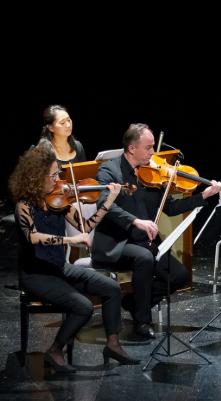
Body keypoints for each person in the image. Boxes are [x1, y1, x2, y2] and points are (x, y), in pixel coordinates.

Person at [9, 146, 138, 373]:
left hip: (58, 268)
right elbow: (32, 237)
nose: (58, 179)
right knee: (83, 306)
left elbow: (86, 226)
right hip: (35, 275)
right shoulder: (24, 205)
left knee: (111, 287)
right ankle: (55, 350)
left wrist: (109, 201)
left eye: (58, 174)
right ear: (35, 177)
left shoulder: (59, 201)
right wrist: (70, 241)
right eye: (53, 175)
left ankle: (113, 344)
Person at [91, 123, 221, 339]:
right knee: (144, 258)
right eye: (149, 148)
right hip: (117, 243)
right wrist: (136, 221)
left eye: (153, 147)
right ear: (132, 148)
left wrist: (205, 195)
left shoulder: (152, 175)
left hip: (144, 241)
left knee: (179, 275)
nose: (153, 153)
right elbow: (104, 205)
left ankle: (135, 303)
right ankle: (143, 322)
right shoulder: (109, 170)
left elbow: (171, 208)